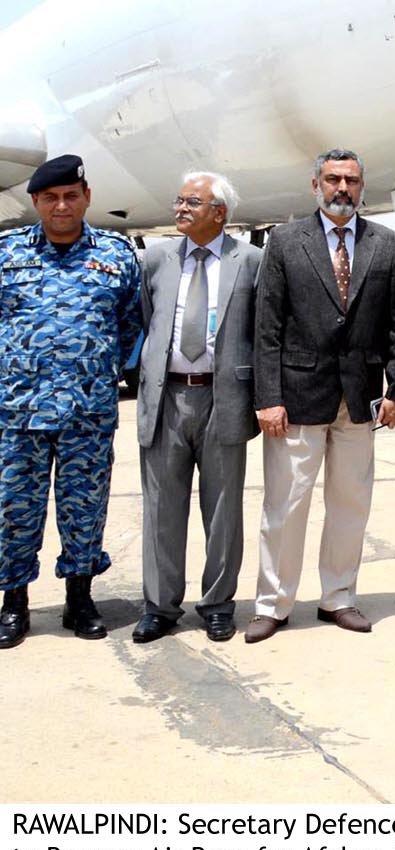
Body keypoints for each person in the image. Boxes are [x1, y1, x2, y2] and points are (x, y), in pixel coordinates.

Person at [246, 149, 395, 643]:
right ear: (314, 184)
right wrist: (268, 396)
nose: (343, 188)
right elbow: (267, 326)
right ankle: (273, 604)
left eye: (352, 181)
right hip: (296, 398)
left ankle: (339, 597)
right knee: (286, 505)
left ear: (363, 187)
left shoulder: (385, 244)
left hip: (360, 400)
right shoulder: (285, 241)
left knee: (351, 503)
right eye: (333, 179)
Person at [0, 155, 141, 649]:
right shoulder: (6, 252)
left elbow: (129, 326)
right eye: (50, 198)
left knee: (84, 509)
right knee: (14, 508)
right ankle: (13, 602)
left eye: (71, 196)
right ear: (35, 201)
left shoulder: (117, 255)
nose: (62, 205)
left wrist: (95, 372)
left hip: (88, 411)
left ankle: (79, 598)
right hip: (18, 411)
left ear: (86, 196)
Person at [132, 172, 262, 645]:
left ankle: (218, 604)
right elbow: (148, 318)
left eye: (193, 202)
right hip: (167, 397)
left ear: (220, 212)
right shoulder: (157, 258)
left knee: (223, 509)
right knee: (162, 507)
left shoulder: (250, 260)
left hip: (224, 397)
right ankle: (160, 606)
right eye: (179, 199)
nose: (181, 209)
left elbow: (260, 331)